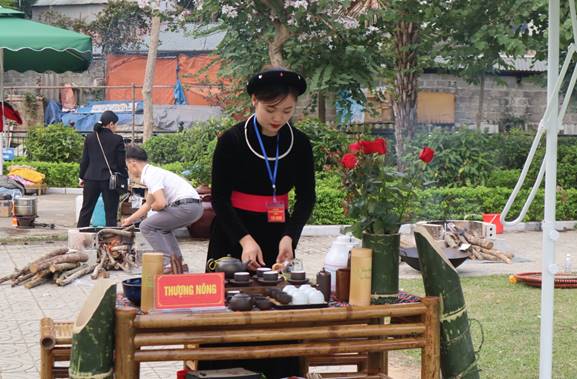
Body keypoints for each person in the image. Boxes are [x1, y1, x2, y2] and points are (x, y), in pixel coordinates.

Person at [202, 67, 316, 377]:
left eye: (287, 110)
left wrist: (290, 237)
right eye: (271, 109)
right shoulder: (231, 141)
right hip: (232, 233)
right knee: (229, 310)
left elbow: (306, 198)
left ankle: (280, 371)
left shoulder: (301, 144)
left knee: (278, 304)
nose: (278, 117)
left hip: (277, 234)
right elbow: (220, 200)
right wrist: (244, 240)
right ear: (254, 100)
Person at [121, 145, 203, 267]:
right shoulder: (153, 173)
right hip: (195, 207)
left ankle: (167, 263)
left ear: (133, 163)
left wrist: (155, 208)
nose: (128, 171)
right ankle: (177, 264)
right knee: (163, 228)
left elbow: (161, 203)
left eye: (127, 167)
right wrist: (129, 220)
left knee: (146, 226)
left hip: (187, 207)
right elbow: (148, 204)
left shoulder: (151, 176)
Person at [77, 110, 127, 227]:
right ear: (110, 124)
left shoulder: (90, 137)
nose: (116, 127)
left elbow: (85, 160)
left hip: (90, 178)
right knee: (110, 213)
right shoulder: (117, 139)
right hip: (110, 181)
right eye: (116, 124)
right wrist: (125, 177)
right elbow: (121, 163)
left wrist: (81, 177)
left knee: (86, 210)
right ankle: (110, 240)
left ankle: (79, 237)